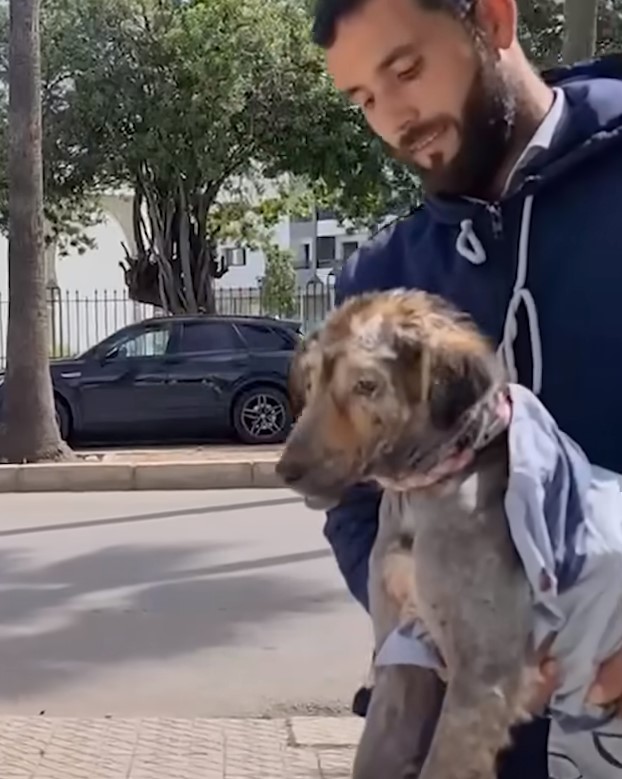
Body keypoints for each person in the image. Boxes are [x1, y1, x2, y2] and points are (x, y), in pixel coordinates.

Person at [310, 0, 622, 775]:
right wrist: (434, 621)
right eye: (363, 100)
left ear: (493, 18)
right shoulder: (381, 280)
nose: (393, 119)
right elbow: (357, 499)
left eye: (405, 70)